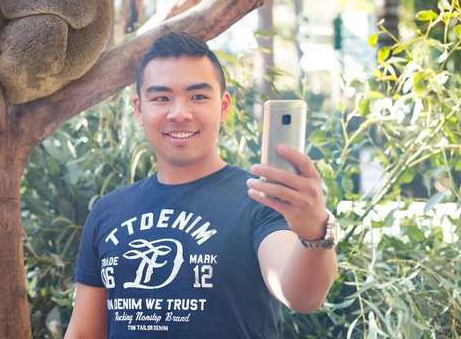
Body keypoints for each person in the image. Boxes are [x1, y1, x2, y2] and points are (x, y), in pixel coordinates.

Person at [64, 31, 339, 339]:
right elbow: (84, 333)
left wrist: (315, 232)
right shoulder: (108, 211)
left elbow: (300, 296)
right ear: (140, 110)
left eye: (198, 96)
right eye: (161, 98)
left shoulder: (260, 199)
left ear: (223, 107)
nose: (180, 113)